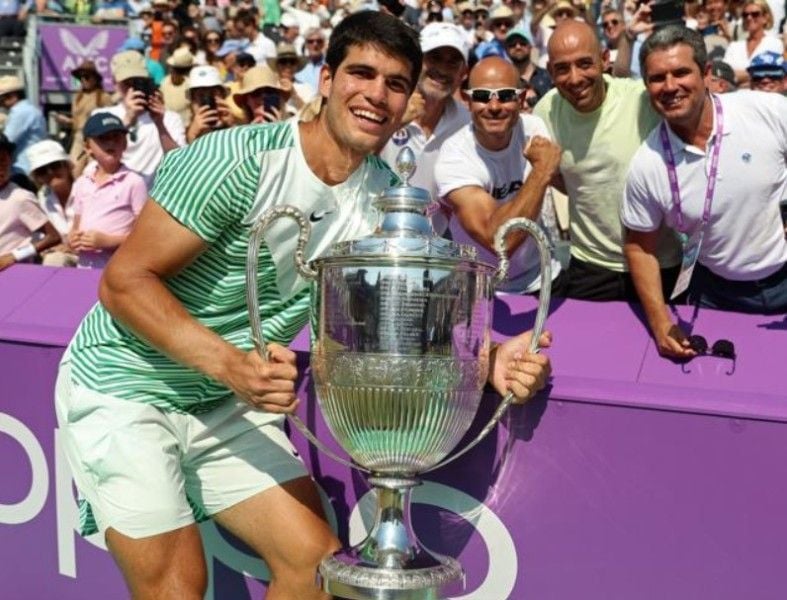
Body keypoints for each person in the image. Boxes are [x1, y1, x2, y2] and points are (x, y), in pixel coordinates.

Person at [54, 11, 551, 600]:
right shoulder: (232, 159)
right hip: (123, 387)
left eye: (395, 83)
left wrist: (489, 362)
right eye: (361, 73)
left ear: (408, 102)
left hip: (222, 402)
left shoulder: (382, 200)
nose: (376, 94)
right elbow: (124, 282)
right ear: (326, 78)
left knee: (317, 567)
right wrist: (230, 365)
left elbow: (417, 319)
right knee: (177, 583)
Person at [622, 26, 787, 358]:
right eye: (657, 78)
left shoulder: (766, 111)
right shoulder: (646, 165)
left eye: (681, 72)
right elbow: (639, 248)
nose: (670, 86)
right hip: (714, 292)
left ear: (707, 73)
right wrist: (659, 322)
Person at [533, 20, 681, 301]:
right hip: (591, 267)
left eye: (584, 64)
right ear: (550, 72)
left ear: (604, 60)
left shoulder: (641, 100)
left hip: (659, 262)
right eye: (562, 68)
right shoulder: (546, 113)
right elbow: (561, 179)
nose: (575, 78)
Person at [435, 56, 564, 294]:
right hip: (480, 290)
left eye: (505, 96)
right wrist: (541, 171)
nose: (494, 107)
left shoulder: (534, 130)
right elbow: (500, 242)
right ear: (467, 100)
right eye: (482, 96)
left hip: (543, 278)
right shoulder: (454, 156)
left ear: (521, 98)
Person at [380, 22, 471, 235]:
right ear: (415, 62)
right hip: (378, 241)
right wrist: (395, 123)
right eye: (434, 58)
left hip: (437, 249)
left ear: (462, 74)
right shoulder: (383, 107)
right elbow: (353, 163)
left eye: (452, 62)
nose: (441, 69)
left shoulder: (468, 124)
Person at [69, 113, 148, 269]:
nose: (111, 142)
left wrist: (107, 241)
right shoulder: (82, 183)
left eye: (117, 137)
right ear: (87, 147)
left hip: (118, 270)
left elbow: (144, 236)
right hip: (85, 267)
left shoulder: (134, 182)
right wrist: (73, 239)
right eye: (103, 138)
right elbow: (76, 227)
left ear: (125, 144)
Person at [100, 50, 186, 187]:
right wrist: (127, 120)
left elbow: (180, 162)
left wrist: (160, 124)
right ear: (114, 82)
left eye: (138, 82)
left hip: (156, 199)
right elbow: (101, 158)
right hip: (117, 198)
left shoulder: (170, 118)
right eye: (126, 83)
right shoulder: (102, 118)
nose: (132, 89)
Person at [0, 135, 60, 271]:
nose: (0, 168)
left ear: (10, 160)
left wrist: (13, 256)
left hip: (15, 274)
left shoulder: (20, 198)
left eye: (2, 160)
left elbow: (53, 237)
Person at [55, 60, 112, 176]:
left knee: (95, 172)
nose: (83, 80)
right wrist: (67, 121)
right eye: (80, 78)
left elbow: (109, 121)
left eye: (86, 77)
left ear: (95, 78)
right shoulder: (77, 97)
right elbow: (77, 122)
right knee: (74, 171)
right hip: (79, 138)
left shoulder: (104, 97)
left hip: (97, 139)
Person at [26, 140, 77, 267]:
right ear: (37, 177)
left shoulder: (89, 190)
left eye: (55, 165)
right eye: (42, 170)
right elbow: (40, 237)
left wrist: (70, 247)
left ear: (67, 166)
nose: (50, 172)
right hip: (60, 257)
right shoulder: (42, 197)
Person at [722, 0, 783, 85]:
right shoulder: (734, 46)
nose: (749, 18)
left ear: (765, 18)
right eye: (745, 15)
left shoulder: (774, 43)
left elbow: (771, 74)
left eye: (755, 14)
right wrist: (756, 74)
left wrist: (738, 77)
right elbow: (724, 75)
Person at [0, 75, 47, 181]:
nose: (1, 102)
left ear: (13, 96)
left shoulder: (20, 112)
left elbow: (5, 141)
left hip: (24, 169)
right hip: (30, 167)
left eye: (2, 97)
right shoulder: (28, 109)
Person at [185, 66, 235, 142]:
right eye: (200, 95)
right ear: (192, 103)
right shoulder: (185, 133)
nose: (207, 101)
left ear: (223, 97)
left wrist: (233, 128)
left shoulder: (237, 126)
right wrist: (192, 137)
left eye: (213, 93)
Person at [504, 27, 553, 102]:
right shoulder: (504, 80)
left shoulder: (548, 76)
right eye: (512, 44)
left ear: (531, 46)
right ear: (506, 50)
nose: (518, 47)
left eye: (522, 43)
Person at [269, 42, 313, 116]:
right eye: (283, 61)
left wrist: (293, 94)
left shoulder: (306, 88)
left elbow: (311, 115)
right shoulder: (270, 88)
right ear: (277, 65)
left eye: (292, 62)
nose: (288, 65)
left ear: (297, 65)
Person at [161, 46, 194, 127]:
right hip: (167, 126)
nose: (173, 71)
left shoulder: (191, 85)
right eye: (172, 68)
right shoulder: (164, 82)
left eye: (178, 70)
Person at [295, 27, 326, 92]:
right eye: (310, 41)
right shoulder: (298, 66)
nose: (315, 44)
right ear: (306, 45)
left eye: (319, 41)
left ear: (323, 44)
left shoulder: (330, 65)